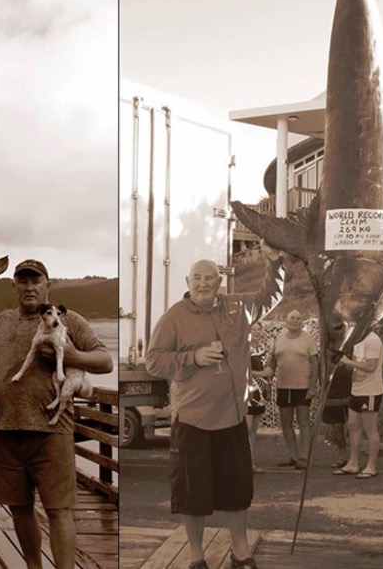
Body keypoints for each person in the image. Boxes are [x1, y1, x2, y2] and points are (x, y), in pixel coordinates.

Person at [0, 259, 114, 569]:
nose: (29, 287)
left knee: (59, 511)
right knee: (19, 507)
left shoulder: (70, 321)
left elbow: (105, 361)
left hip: (51, 433)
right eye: (23, 281)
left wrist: (72, 355)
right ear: (15, 286)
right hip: (5, 430)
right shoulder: (2, 322)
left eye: (36, 281)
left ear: (47, 285)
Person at [145, 243, 284, 569]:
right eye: (197, 278)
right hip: (193, 420)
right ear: (188, 281)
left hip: (233, 418)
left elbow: (270, 296)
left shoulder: (238, 307)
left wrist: (275, 262)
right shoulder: (174, 318)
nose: (204, 283)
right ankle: (196, 556)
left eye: (210, 278)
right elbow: (154, 361)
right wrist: (192, 357)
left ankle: (240, 551)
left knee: (238, 491)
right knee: (192, 495)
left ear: (220, 281)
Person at [332, 329, 383, 479]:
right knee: (353, 425)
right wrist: (342, 362)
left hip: (370, 391)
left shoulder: (372, 340)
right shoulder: (357, 340)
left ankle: (371, 466)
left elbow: (371, 366)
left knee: (370, 428)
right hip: (356, 390)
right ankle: (353, 463)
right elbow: (355, 365)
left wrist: (348, 361)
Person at [270, 310, 318, 469]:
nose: (295, 320)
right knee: (286, 422)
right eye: (292, 318)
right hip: (283, 386)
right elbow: (272, 362)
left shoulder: (308, 339)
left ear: (301, 321)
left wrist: (312, 386)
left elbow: (315, 364)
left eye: (298, 318)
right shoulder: (279, 338)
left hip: (302, 387)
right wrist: (267, 380)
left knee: (303, 421)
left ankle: (305, 457)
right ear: (286, 320)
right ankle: (294, 456)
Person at [246, 323, 272, 473]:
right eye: (253, 329)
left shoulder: (262, 349)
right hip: (249, 392)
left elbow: (267, 368)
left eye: (258, 329)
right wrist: (261, 374)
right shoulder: (244, 349)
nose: (256, 332)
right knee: (247, 428)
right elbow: (243, 370)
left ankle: (251, 462)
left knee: (255, 428)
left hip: (260, 393)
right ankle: (245, 462)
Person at [321, 361, 352, 469]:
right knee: (338, 427)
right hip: (332, 395)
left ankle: (353, 458)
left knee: (353, 426)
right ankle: (343, 456)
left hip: (351, 392)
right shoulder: (326, 354)